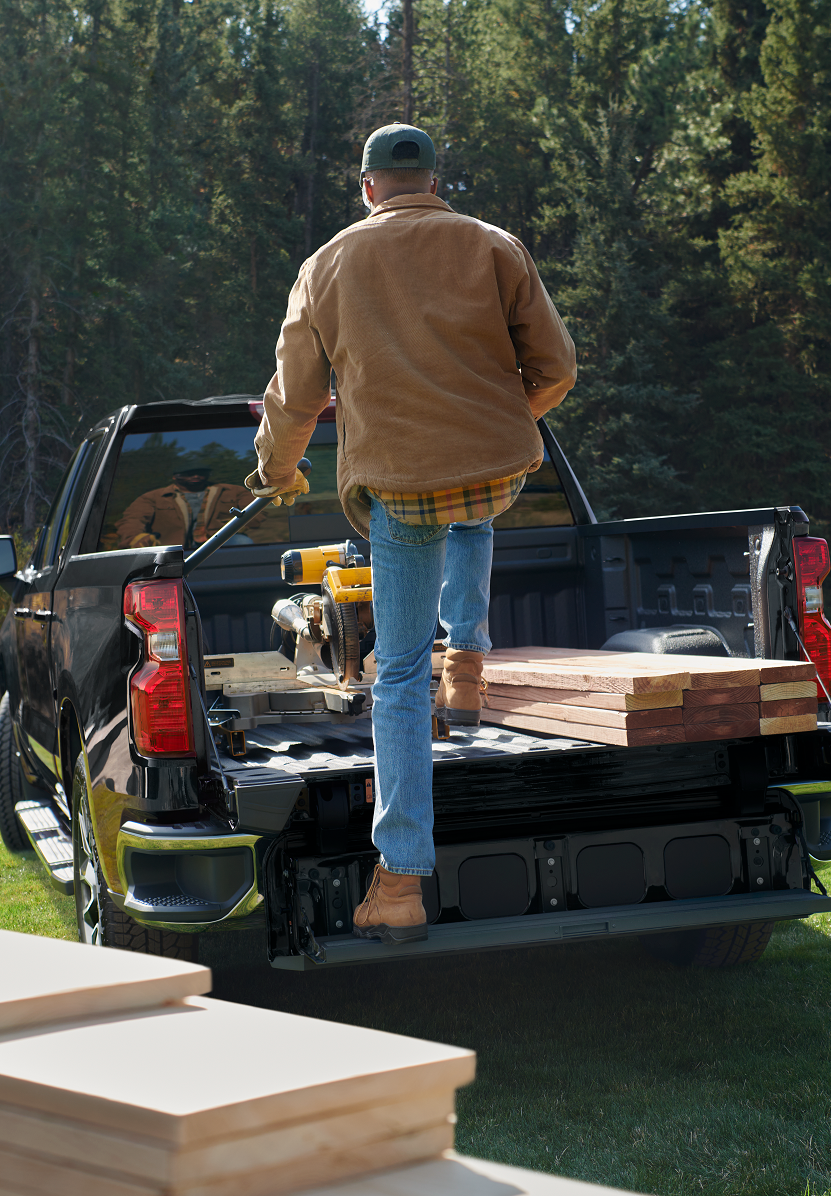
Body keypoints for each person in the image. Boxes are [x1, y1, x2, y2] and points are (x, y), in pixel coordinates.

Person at [248, 123, 576, 944]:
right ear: (434, 179)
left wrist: (277, 472)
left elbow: (292, 400)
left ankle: (398, 880)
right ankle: (467, 657)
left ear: (366, 188)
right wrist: (501, 421)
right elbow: (559, 368)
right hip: (493, 466)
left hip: (399, 487)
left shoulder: (326, 266)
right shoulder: (496, 246)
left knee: (396, 675)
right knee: (472, 501)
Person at [104, 461, 275, 550]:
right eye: (188, 473)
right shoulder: (154, 498)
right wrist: (138, 538)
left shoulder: (232, 491)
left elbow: (258, 513)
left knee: (242, 543)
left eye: (200, 473)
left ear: (207, 475)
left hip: (222, 546)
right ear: (175, 477)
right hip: (174, 550)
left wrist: (230, 527)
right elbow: (132, 519)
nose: (195, 476)